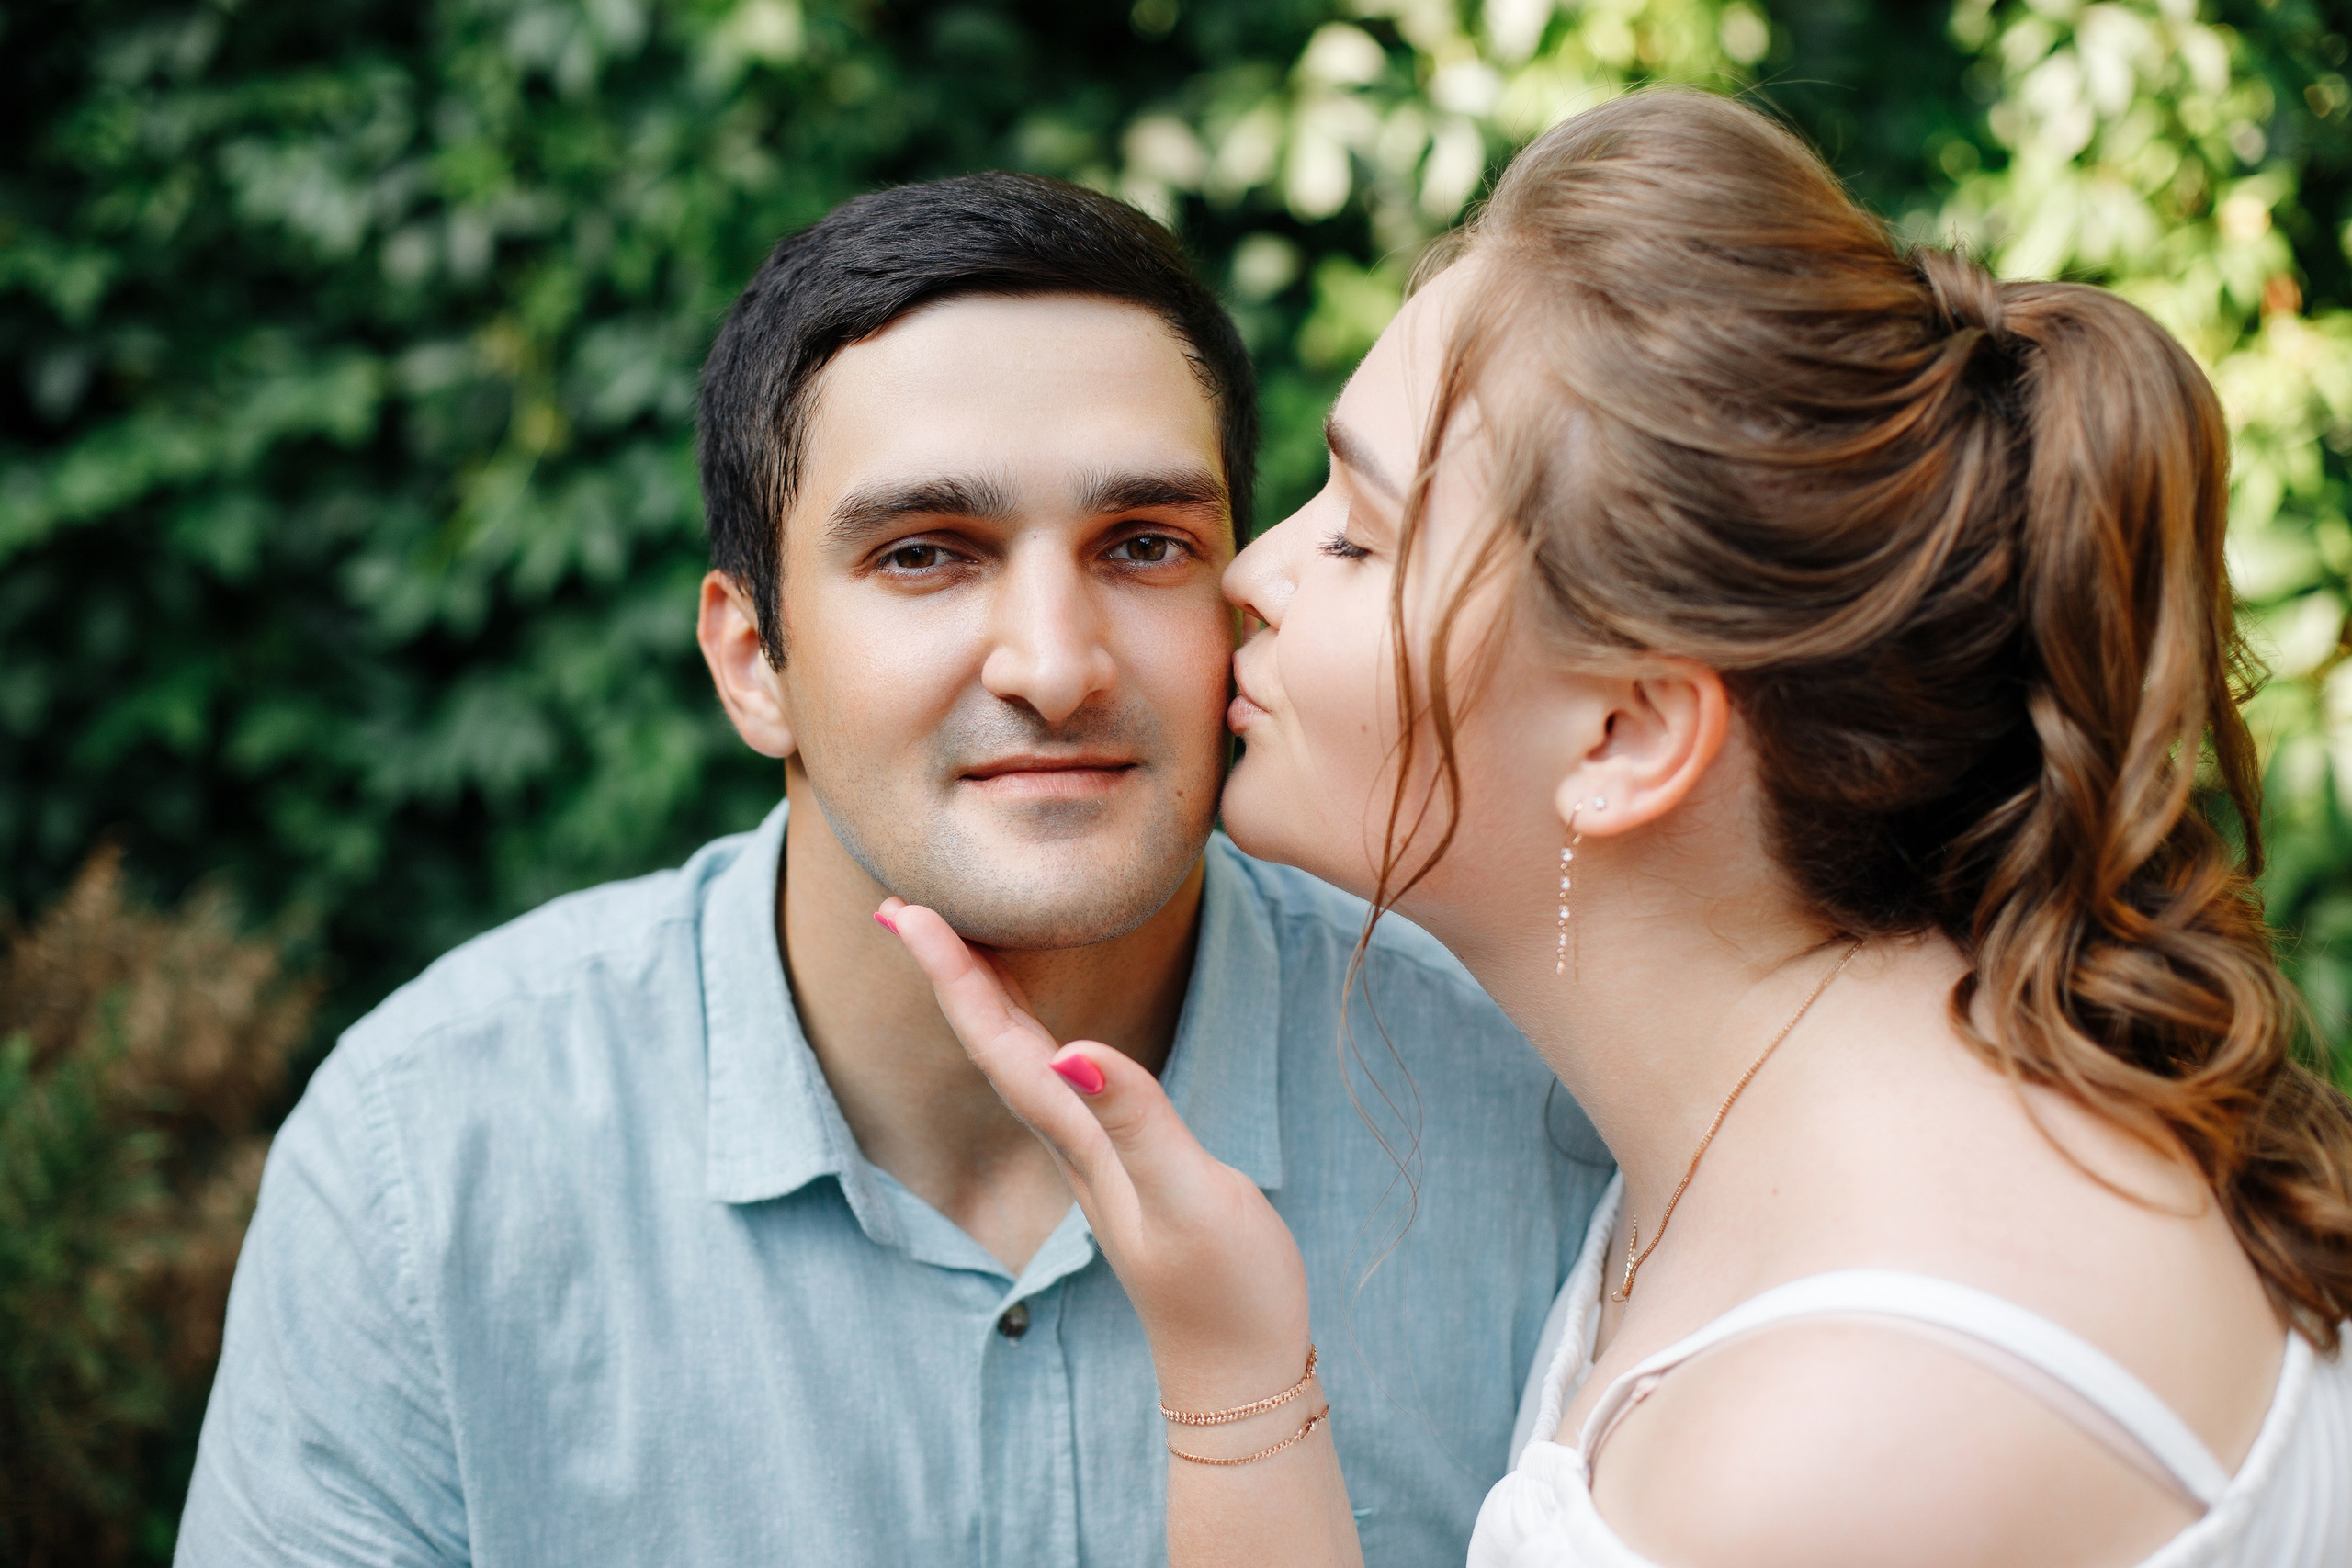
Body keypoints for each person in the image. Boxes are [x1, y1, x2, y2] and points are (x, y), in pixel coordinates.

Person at [886, 94, 2352, 1568]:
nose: (1250, 576)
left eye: (1360, 536)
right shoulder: (1804, 1132)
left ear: (1626, 733)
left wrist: (1232, 1387)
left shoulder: (1842, 1444)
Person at [173, 172, 1613, 1568]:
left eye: (1145, 544)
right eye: (927, 554)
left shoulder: (1534, 1103)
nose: (1055, 666)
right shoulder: (429, 1163)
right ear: (754, 665)